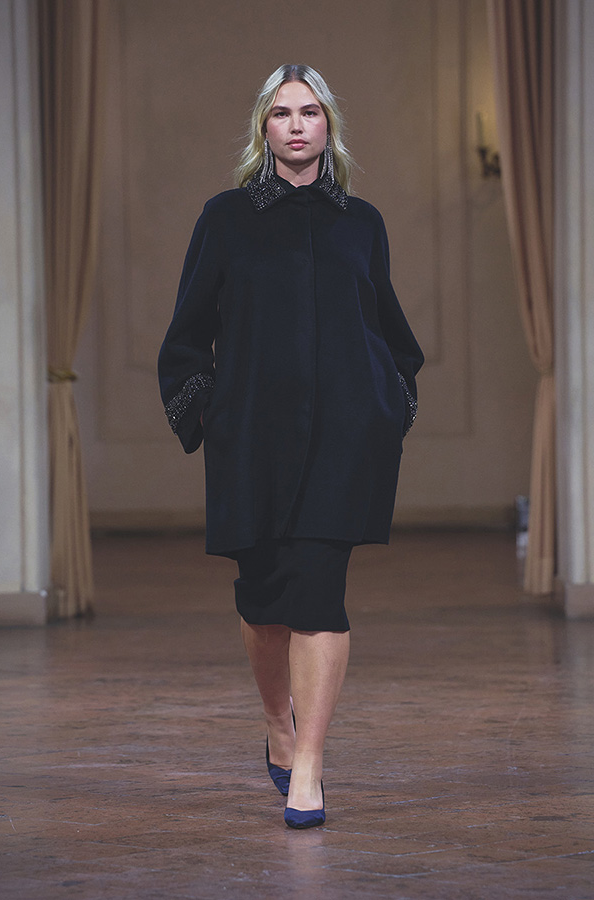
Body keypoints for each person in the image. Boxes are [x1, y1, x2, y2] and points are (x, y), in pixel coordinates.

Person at [158, 64, 424, 829]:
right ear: (264, 129)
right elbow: (186, 336)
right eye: (283, 114)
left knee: (319, 595)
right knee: (263, 600)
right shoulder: (225, 218)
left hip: (343, 437)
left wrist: (391, 405)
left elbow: (391, 332)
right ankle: (278, 722)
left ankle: (309, 765)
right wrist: (210, 416)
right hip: (251, 439)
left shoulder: (361, 223)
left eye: (310, 112)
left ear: (328, 125)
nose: (298, 125)